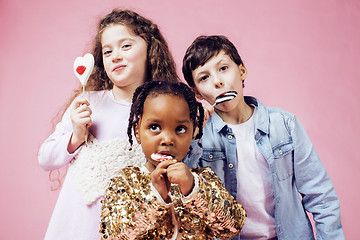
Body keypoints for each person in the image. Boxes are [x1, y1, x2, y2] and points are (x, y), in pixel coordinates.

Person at [182, 35, 344, 240]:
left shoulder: (285, 124)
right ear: (197, 93)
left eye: (223, 68)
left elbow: (321, 197)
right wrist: (192, 134)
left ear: (242, 71)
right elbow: (184, 197)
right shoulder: (198, 139)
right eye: (204, 78)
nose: (218, 81)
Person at [38, 9, 179, 239]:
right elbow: (45, 159)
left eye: (126, 46)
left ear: (150, 50)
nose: (115, 56)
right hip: (73, 228)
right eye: (107, 51)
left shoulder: (164, 112)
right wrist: (75, 137)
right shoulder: (87, 103)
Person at [100, 81, 246, 239]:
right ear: (137, 131)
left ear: (193, 133)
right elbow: (114, 236)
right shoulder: (125, 181)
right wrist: (154, 196)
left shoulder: (204, 178)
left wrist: (193, 188)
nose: (168, 139)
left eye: (180, 129)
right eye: (155, 127)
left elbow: (232, 227)